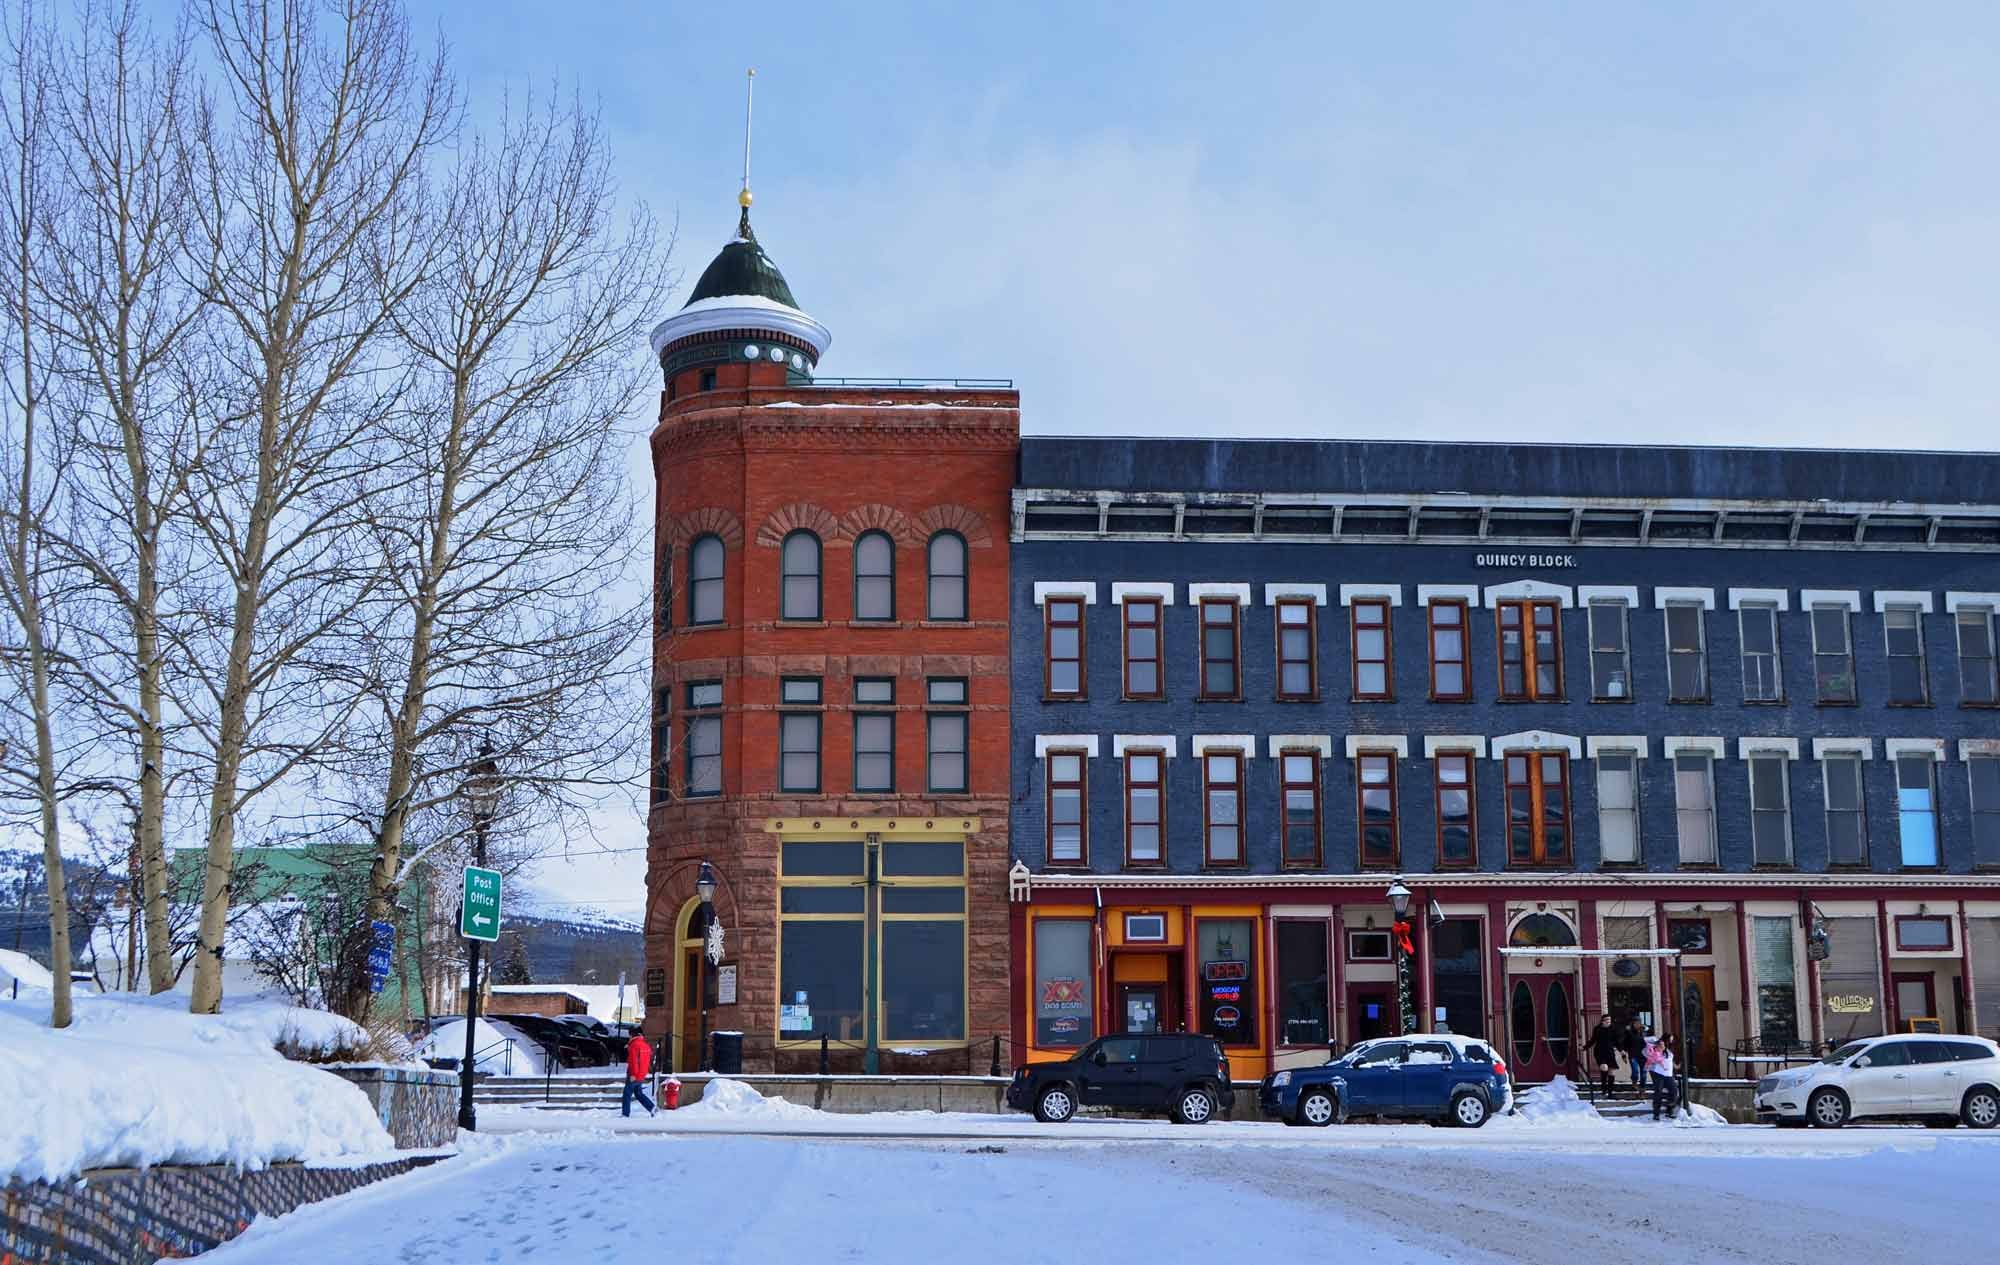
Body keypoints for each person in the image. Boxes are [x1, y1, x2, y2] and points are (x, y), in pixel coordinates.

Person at [622, 1031, 657, 1117]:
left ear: (631, 1035)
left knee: (627, 1094)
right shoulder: (645, 1045)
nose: (628, 1038)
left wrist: (633, 1074)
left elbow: (634, 1061)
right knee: (639, 1093)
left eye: (629, 1036)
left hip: (634, 1074)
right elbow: (646, 1060)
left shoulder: (634, 1045)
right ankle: (651, 1107)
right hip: (642, 1073)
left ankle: (625, 1114)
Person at [1586, 1014, 1621, 1097]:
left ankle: (1610, 1092)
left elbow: (1616, 1042)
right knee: (1604, 1068)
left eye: (1609, 1020)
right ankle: (1604, 1089)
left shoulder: (1613, 1029)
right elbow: (1592, 1040)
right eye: (1607, 1020)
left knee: (1611, 1072)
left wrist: (1621, 1051)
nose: (1608, 1021)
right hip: (1599, 1052)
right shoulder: (1597, 1029)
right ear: (1602, 1021)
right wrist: (1584, 1047)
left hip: (1610, 1052)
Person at [1645, 1033, 1678, 1120]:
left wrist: (1676, 1066)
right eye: (1670, 1038)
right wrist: (1656, 1043)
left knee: (1674, 1091)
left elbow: (1670, 1060)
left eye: (1672, 1039)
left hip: (1669, 1074)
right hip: (1658, 1073)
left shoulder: (1669, 1049)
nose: (1672, 1040)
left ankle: (1669, 1110)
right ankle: (1656, 1114)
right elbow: (1647, 1046)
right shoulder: (1658, 1046)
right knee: (1658, 1092)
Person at [1623, 1019, 1649, 1089]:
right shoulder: (1629, 1032)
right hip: (1633, 1055)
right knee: (1635, 1072)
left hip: (1644, 1056)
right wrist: (1624, 1055)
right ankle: (1634, 1082)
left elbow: (1650, 1043)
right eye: (1635, 1023)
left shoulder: (1644, 1032)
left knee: (1644, 1074)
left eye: (1638, 1023)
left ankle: (1642, 1089)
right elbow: (1625, 1044)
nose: (1637, 1025)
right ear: (1632, 1024)